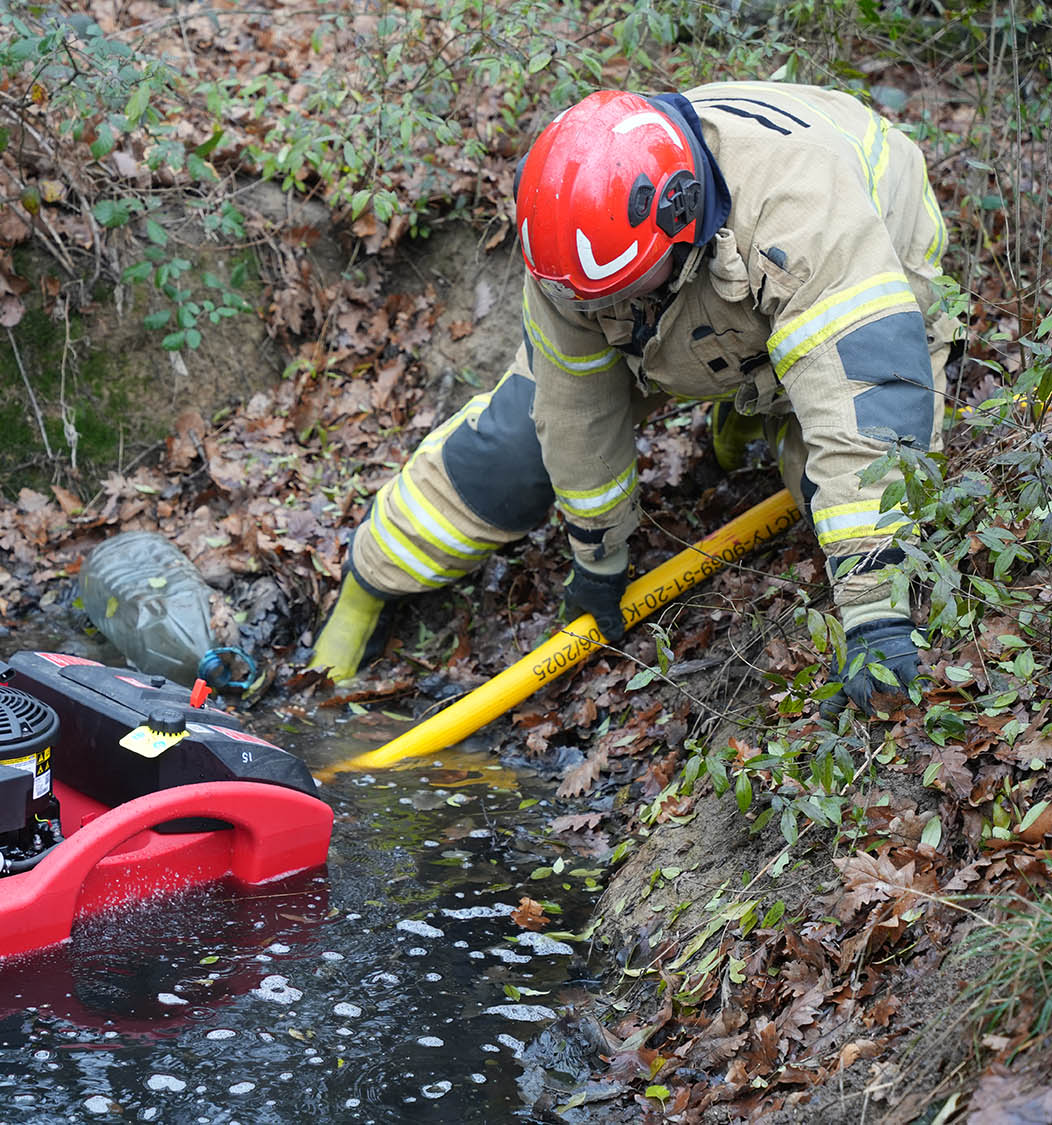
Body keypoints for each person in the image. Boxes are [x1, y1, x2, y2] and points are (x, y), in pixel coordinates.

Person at [308, 81, 960, 716]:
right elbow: (574, 409)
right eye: (585, 300)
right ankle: (367, 586)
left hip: (865, 269)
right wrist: (599, 557)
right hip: (692, 300)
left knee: (844, 492)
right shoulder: (572, 251)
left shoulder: (803, 207)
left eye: (614, 294)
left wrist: (875, 611)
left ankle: (755, 417)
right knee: (513, 451)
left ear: (680, 214)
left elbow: (865, 398)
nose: (597, 312)